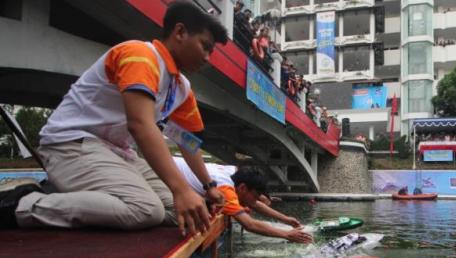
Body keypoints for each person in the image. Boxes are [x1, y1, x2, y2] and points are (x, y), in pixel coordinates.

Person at [1, 1, 228, 236]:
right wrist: (182, 189)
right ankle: (20, 205)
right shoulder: (141, 55)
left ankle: (75, 196)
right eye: (205, 46)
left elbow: (187, 142)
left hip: (117, 153)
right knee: (145, 209)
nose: (208, 58)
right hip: (70, 145)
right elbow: (140, 125)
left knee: (173, 211)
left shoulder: (181, 88)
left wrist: (208, 187)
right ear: (180, 32)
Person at [173, 157, 313, 243]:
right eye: (255, 195)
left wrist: (285, 219)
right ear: (243, 188)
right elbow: (249, 224)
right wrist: (286, 234)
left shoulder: (235, 175)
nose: (255, 201)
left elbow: (253, 202)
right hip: (159, 174)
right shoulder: (225, 189)